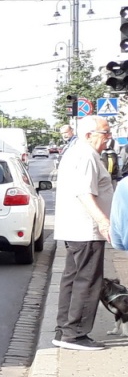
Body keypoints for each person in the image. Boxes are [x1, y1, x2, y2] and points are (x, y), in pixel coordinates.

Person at [53, 115, 113, 351]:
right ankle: (75, 334)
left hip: (75, 227)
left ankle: (63, 330)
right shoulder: (86, 155)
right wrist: (103, 220)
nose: (108, 139)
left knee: (73, 278)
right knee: (88, 281)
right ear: (89, 135)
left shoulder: (77, 152)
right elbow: (84, 192)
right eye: (105, 133)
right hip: (86, 228)